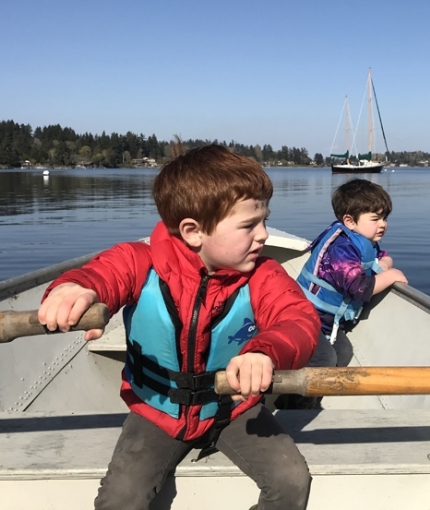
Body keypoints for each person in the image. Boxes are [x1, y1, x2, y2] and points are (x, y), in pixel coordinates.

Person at [37, 144, 320, 510]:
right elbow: (100, 275)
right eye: (250, 225)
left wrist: (266, 351)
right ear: (193, 231)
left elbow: (299, 320)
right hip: (156, 412)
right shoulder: (138, 261)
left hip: (235, 411)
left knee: (292, 482)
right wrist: (72, 288)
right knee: (120, 499)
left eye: (264, 220)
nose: (264, 235)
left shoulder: (265, 275)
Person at [296, 178, 407, 369]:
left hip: (325, 319)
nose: (383, 225)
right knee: (325, 359)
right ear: (349, 221)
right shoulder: (341, 249)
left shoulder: (362, 241)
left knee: (343, 352)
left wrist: (387, 264)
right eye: (375, 219)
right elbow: (358, 288)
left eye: (384, 218)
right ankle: (295, 400)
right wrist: (389, 276)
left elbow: (380, 257)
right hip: (305, 314)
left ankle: (309, 398)